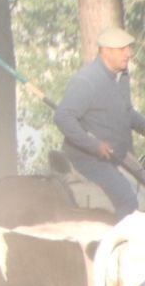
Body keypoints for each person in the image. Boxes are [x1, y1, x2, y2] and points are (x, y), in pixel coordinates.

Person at [54, 27, 145, 216]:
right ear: (106, 51)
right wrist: (94, 145)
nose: (128, 53)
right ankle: (122, 244)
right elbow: (63, 117)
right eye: (122, 49)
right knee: (127, 200)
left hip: (117, 154)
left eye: (128, 48)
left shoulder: (121, 77)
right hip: (88, 158)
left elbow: (127, 112)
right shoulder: (86, 81)